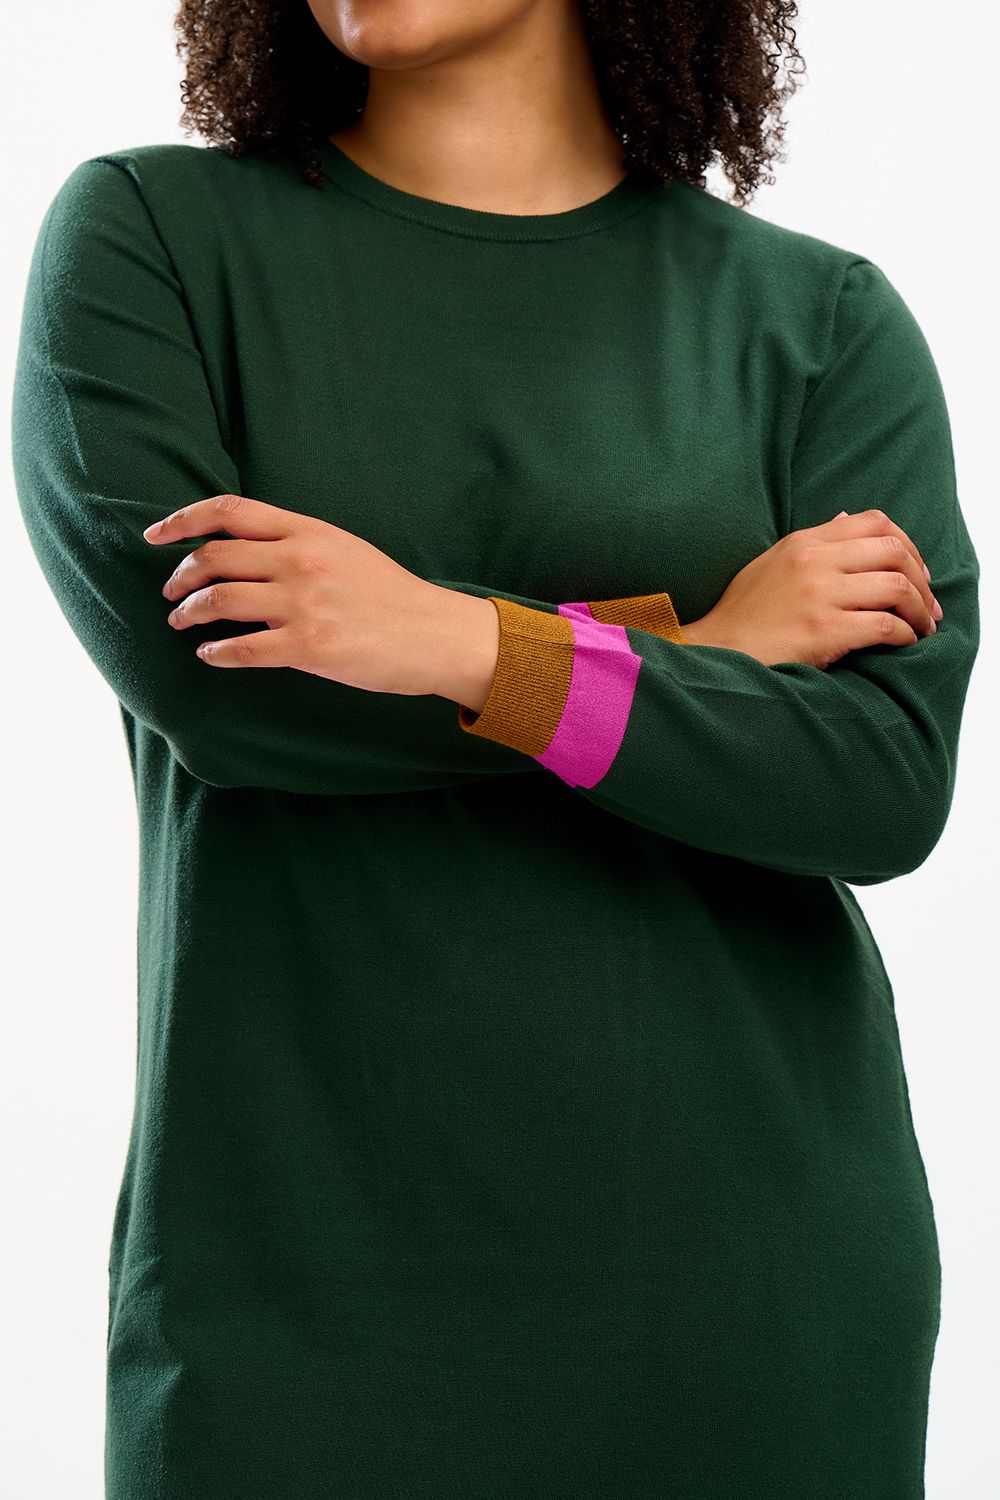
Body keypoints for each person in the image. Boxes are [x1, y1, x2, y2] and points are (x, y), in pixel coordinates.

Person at [11, 0, 980, 1495]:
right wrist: (706, 646)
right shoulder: (154, 239)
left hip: (747, 1297)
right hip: (293, 1301)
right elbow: (231, 691)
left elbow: (874, 783)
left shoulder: (819, 319)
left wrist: (440, 636)